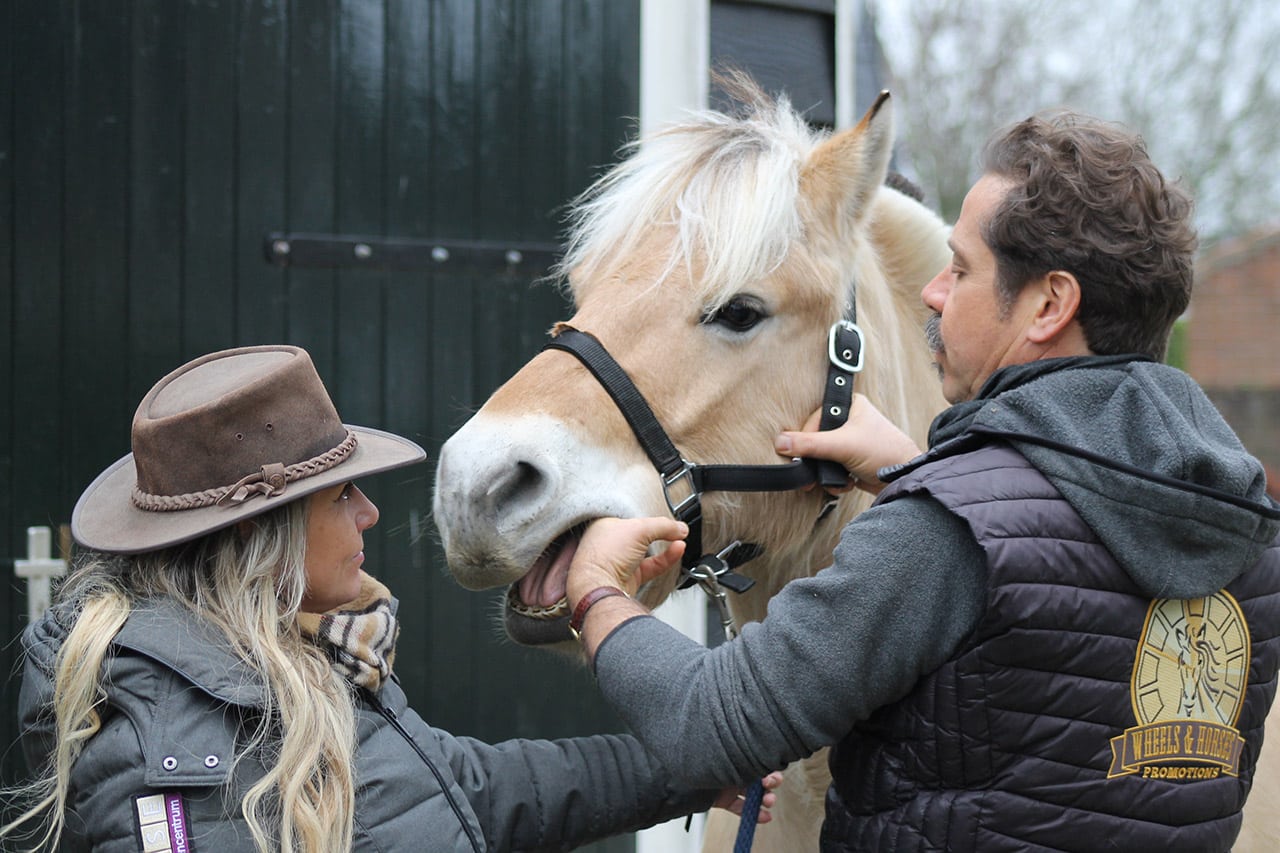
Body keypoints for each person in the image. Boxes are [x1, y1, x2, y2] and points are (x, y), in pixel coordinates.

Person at [561, 110, 1280, 851]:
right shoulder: (1245, 535)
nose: (935, 292)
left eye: (962, 268)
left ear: (1048, 305)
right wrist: (920, 473)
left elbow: (712, 726)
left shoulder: (942, 534)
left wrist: (597, 592)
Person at [3, 345, 777, 852]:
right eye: (343, 495)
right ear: (262, 539)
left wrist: (687, 768)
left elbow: (462, 788)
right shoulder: (176, 761)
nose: (370, 514)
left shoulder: (290, 662)